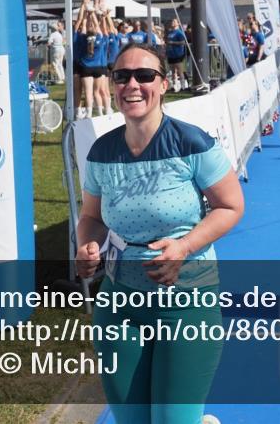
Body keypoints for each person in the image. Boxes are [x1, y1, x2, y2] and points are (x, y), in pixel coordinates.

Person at [75, 42, 244, 424]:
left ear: (164, 84)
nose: (132, 84)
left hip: (187, 302)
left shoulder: (191, 143)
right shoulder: (102, 151)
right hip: (119, 305)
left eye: (144, 75)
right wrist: (87, 244)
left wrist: (184, 247)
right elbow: (91, 215)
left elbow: (231, 206)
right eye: (121, 76)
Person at [166, 18, 187, 91]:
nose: (172, 22)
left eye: (174, 21)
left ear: (178, 23)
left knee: (180, 71)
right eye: (172, 21)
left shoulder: (179, 32)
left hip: (178, 54)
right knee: (172, 72)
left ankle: (183, 87)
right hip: (171, 54)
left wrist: (173, 43)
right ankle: (174, 86)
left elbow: (183, 42)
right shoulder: (170, 32)